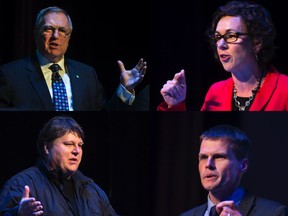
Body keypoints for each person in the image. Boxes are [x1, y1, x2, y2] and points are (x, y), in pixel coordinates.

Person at [0, 6, 147, 111]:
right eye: (48, 29)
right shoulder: (10, 74)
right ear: (35, 34)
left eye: (62, 31)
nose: (55, 36)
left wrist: (125, 89)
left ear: (69, 37)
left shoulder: (87, 74)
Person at [158, 1, 288, 111]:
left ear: (257, 42)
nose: (220, 44)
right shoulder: (215, 92)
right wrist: (175, 104)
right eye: (217, 37)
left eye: (231, 36)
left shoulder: (284, 89)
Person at [0, 115, 118, 215]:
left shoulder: (92, 190)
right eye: (68, 144)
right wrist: (17, 213)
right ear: (47, 148)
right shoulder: (21, 184)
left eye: (80, 145)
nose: (76, 151)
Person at [180, 124, 288, 216]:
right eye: (203, 157)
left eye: (218, 157)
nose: (208, 164)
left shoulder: (274, 213)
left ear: (243, 165)